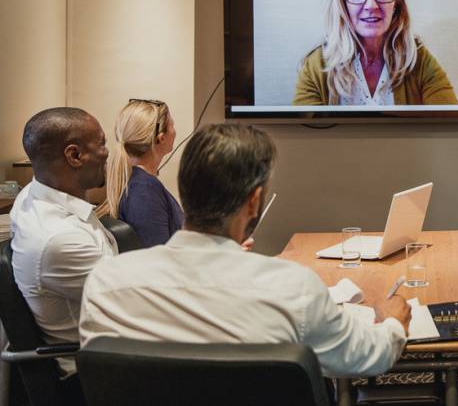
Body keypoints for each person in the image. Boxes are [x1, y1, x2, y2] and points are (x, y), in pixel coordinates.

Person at [79, 122, 411, 378]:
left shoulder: (106, 283)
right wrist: (393, 322)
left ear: (185, 190)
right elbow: (366, 357)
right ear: (254, 201)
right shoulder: (293, 289)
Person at [11, 107, 117, 384]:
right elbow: (136, 302)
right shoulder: (59, 240)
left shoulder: (32, 194)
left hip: (107, 344)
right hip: (94, 372)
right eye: (102, 143)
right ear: (74, 155)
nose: (108, 153)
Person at [293, 0, 458, 106]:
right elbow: (303, 135)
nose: (371, 6)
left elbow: (452, 124)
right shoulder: (317, 65)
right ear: (343, 4)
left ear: (396, 4)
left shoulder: (418, 58)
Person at [104, 98, 183, 247]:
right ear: (161, 138)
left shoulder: (135, 182)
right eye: (172, 125)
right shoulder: (145, 190)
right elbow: (155, 258)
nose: (175, 131)